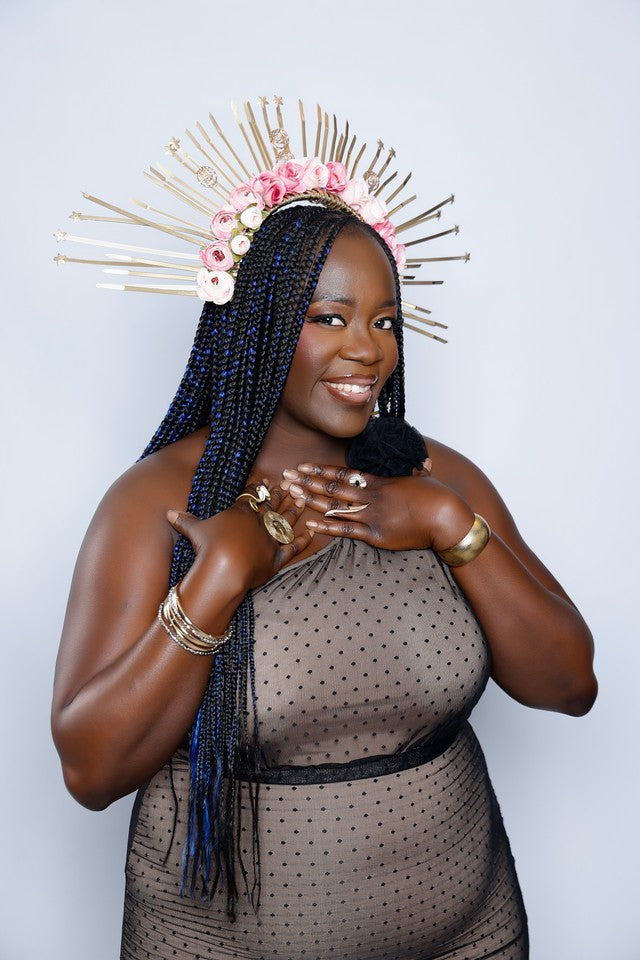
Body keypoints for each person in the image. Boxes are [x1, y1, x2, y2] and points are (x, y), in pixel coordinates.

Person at [51, 104, 597, 960]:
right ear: (260, 324)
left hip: (468, 932)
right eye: (329, 318)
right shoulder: (160, 501)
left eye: (385, 321)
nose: (367, 350)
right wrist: (218, 580)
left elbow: (570, 684)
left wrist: (448, 523)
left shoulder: (438, 478)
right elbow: (91, 771)